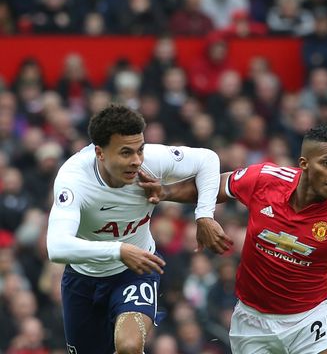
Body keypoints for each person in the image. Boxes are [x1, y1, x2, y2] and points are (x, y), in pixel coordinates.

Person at [150, 124, 327, 353]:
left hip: (310, 319)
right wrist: (164, 193)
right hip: (251, 322)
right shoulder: (263, 179)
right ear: (304, 163)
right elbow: (211, 185)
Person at [46, 104, 233, 354]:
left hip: (135, 272)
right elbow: (57, 247)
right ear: (100, 153)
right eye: (125, 153)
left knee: (129, 345)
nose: (136, 161)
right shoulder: (74, 180)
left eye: (140, 150)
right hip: (83, 280)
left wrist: (204, 215)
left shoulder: (151, 161)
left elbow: (208, 160)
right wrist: (120, 250)